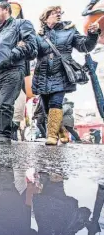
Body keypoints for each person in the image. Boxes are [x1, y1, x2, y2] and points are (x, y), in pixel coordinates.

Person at [32, 6, 100, 145]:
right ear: (45, 18)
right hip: (42, 73)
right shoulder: (37, 35)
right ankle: (61, 130)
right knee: (45, 108)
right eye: (54, 13)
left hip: (62, 71)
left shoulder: (69, 29)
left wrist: (92, 34)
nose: (58, 15)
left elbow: (84, 46)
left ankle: (51, 136)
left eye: (59, 13)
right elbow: (30, 53)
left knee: (55, 102)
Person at [0, 1, 37, 145]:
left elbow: (31, 47)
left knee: (5, 104)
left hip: (11, 70)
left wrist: (11, 55)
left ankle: (4, 135)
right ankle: (8, 128)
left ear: (6, 10)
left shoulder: (21, 24)